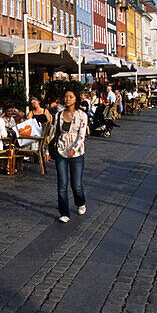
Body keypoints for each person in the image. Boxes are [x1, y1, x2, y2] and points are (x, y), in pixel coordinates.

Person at [52, 89, 89, 223]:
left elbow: (82, 135)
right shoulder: (59, 114)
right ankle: (64, 212)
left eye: (71, 96)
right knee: (62, 184)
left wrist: (74, 148)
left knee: (76, 185)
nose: (68, 99)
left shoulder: (82, 115)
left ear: (75, 99)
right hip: (61, 151)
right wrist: (46, 149)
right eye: (66, 96)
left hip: (77, 153)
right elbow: (55, 133)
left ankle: (80, 202)